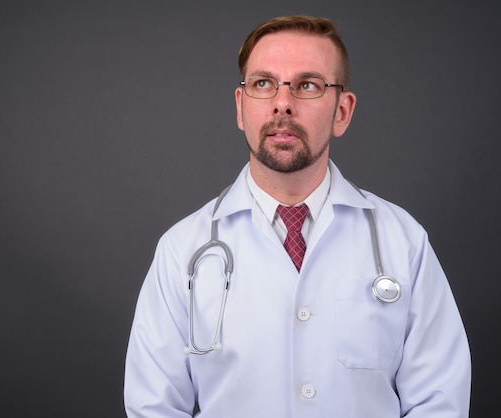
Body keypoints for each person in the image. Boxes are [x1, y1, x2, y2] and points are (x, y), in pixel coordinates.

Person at [124, 15, 471, 417]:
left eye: (308, 85)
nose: (282, 102)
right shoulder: (181, 250)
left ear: (342, 111)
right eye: (263, 83)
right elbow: (154, 408)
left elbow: (439, 400)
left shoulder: (403, 241)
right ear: (241, 107)